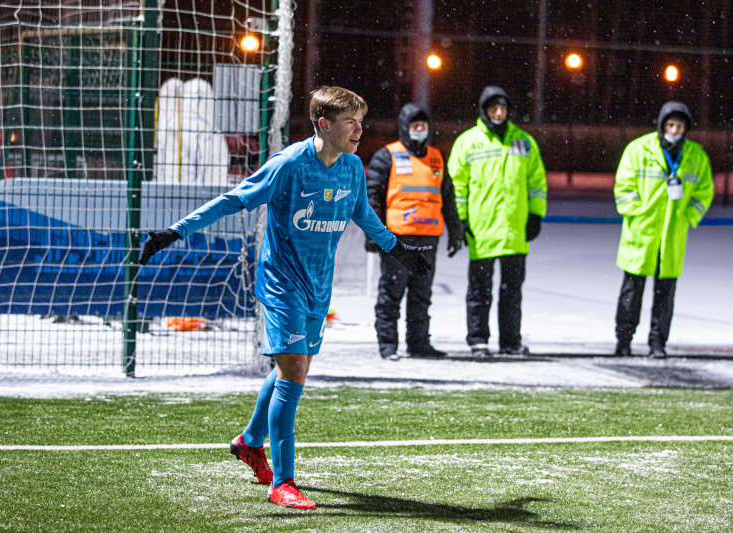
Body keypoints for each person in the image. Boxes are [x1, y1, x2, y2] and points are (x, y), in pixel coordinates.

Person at [138, 86, 430, 510]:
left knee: (293, 369)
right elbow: (233, 200)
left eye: (361, 122)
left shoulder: (351, 167)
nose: (359, 130)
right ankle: (283, 482)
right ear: (323, 124)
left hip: (318, 286)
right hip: (281, 284)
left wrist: (397, 250)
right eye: (350, 122)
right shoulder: (289, 165)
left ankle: (249, 441)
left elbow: (362, 214)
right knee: (293, 373)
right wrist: (175, 231)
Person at [447, 86, 547, 358]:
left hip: (515, 230)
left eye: (503, 108)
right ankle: (478, 340)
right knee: (480, 291)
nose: (499, 113)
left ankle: (511, 341)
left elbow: (536, 182)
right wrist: (460, 220)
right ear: (484, 110)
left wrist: (536, 214)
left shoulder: (524, 142)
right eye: (494, 108)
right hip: (482, 230)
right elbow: (457, 186)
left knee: (512, 292)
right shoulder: (468, 142)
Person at [613, 101, 714, 358]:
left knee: (665, 295)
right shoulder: (638, 149)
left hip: (672, 237)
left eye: (679, 126)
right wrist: (636, 212)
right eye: (670, 125)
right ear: (661, 125)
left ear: (686, 129)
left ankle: (658, 343)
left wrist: (688, 217)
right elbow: (623, 185)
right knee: (631, 292)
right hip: (641, 234)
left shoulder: (696, 156)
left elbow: (704, 192)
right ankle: (623, 341)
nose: (674, 130)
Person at [365, 102, 463, 361]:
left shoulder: (436, 157)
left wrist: (455, 230)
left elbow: (448, 198)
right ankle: (388, 345)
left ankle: (419, 344)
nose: (420, 129)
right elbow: (371, 198)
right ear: (404, 127)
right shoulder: (387, 156)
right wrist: (373, 234)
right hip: (396, 239)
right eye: (414, 125)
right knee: (391, 293)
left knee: (421, 295)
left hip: (428, 239)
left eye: (423, 125)